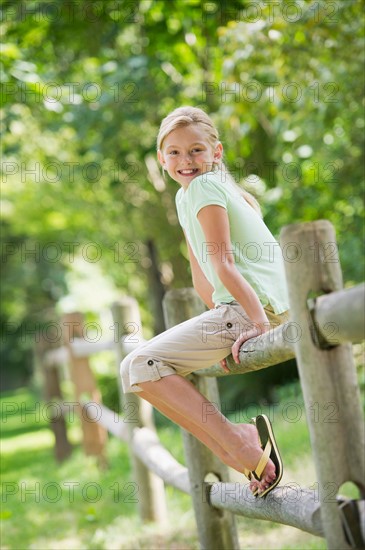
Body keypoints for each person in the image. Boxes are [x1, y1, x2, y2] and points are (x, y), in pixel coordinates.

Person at [120, 106, 290, 497]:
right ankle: (239, 452)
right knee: (140, 373)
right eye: (175, 153)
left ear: (217, 152)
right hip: (243, 308)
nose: (186, 161)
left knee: (141, 365)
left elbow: (224, 264)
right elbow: (202, 275)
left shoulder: (204, 187)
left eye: (196, 150)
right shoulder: (189, 196)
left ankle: (241, 444)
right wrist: (213, 324)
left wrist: (256, 324)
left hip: (257, 308)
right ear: (161, 159)